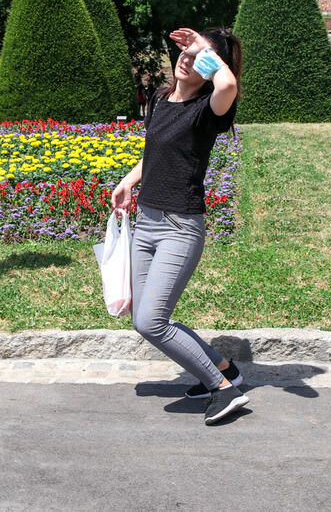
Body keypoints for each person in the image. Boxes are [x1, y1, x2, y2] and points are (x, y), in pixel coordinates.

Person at [111, 26, 246, 426]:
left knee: (151, 321)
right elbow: (155, 151)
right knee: (144, 316)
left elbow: (227, 83)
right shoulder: (159, 99)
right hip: (146, 222)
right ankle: (224, 368)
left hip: (179, 226)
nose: (186, 60)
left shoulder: (211, 108)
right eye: (185, 52)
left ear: (211, 66)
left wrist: (205, 49)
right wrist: (128, 181)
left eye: (198, 57)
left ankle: (223, 389)